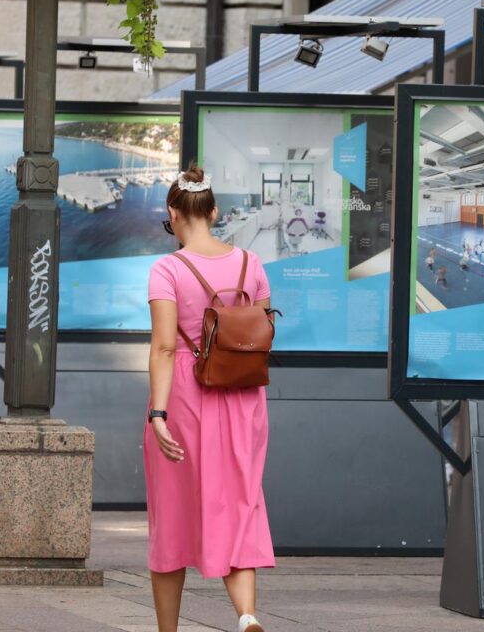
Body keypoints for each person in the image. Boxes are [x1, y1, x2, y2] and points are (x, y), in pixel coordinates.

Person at [146, 165, 273, 632]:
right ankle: (246, 615)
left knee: (174, 513)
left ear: (173, 214)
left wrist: (158, 413)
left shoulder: (168, 268)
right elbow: (258, 333)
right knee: (238, 503)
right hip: (242, 397)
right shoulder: (250, 265)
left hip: (186, 393)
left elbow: (163, 346)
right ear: (215, 211)